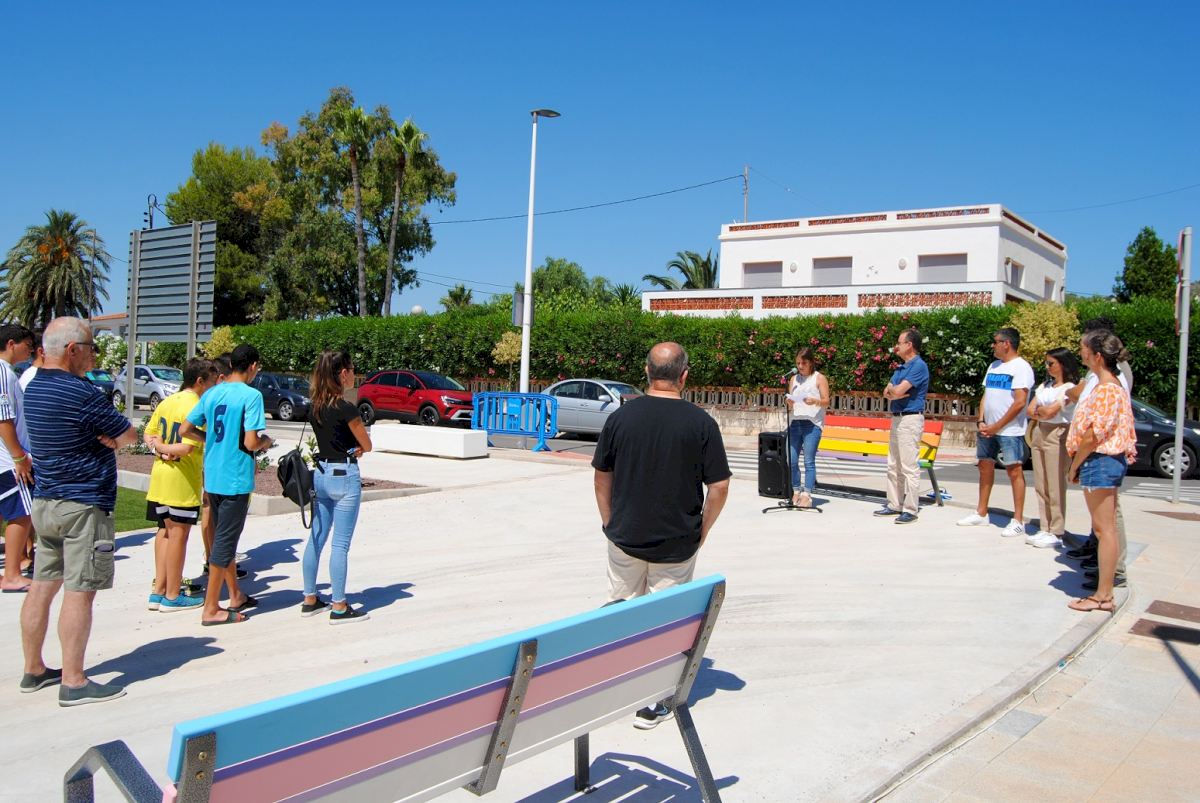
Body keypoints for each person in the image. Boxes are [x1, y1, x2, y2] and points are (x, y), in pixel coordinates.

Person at [592, 342, 731, 729]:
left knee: (621, 609)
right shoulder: (701, 423)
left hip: (624, 537)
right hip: (676, 543)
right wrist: (702, 530)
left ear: (647, 371)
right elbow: (719, 486)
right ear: (684, 376)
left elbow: (602, 477)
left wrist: (610, 523)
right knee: (665, 622)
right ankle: (651, 702)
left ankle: (617, 687)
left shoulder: (621, 418)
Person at [19, 317, 137, 705]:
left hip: (46, 503)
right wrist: (111, 439)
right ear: (72, 350)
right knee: (80, 591)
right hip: (84, 505)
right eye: (90, 348)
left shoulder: (34, 386)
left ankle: (34, 669)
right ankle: (74, 681)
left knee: (41, 586)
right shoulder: (81, 392)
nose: (94, 356)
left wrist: (107, 436)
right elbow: (128, 434)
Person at [180, 344, 273, 626]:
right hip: (235, 478)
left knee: (223, 538)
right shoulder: (251, 395)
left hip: (214, 476)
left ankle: (235, 594)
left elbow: (185, 429)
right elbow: (251, 442)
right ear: (253, 366)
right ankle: (211, 608)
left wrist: (208, 439)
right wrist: (266, 442)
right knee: (224, 543)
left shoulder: (212, 393)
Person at [1065, 331, 1136, 613]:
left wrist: (1074, 465)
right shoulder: (1108, 385)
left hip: (1100, 460)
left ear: (1097, 356)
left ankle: (1103, 595)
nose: (1080, 353)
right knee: (1105, 528)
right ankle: (1103, 593)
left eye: (1083, 349)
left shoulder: (1107, 388)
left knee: (1104, 529)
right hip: (1103, 461)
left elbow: (1093, 435)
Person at [301, 350, 374, 623]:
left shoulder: (314, 406)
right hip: (344, 474)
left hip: (321, 473)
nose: (354, 374)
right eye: (352, 370)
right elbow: (366, 444)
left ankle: (310, 598)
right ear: (343, 374)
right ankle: (339, 605)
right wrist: (357, 448)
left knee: (316, 537)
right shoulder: (346, 408)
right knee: (340, 544)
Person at [143, 358, 218, 612]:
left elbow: (149, 433)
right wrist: (165, 448)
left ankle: (159, 591)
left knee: (164, 532)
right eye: (211, 381)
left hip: (159, 479)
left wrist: (158, 448)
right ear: (200, 381)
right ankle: (173, 595)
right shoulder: (197, 406)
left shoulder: (167, 401)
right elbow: (187, 447)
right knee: (178, 535)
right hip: (181, 481)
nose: (213, 387)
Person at [957, 328, 1035, 537]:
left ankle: (1017, 520)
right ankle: (981, 512)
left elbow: (1019, 402)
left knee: (1014, 471)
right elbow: (986, 395)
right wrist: (981, 420)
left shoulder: (1021, 367)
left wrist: (997, 426)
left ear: (1006, 343)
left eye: (996, 341)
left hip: (1010, 430)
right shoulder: (993, 366)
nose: (993, 345)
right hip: (987, 428)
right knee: (984, 466)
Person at [1025, 348, 1080, 549]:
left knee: (1055, 484)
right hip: (1040, 431)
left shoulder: (1069, 388)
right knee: (1041, 484)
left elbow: (1050, 412)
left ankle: (1056, 530)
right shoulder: (1045, 386)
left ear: (1063, 364)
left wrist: (1041, 411)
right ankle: (1045, 526)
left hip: (1058, 432)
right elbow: (1030, 410)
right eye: (1046, 363)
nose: (1047, 367)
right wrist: (1042, 411)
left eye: (1051, 363)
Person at [876, 327, 930, 524]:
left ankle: (910, 509)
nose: (896, 346)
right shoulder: (901, 368)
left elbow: (897, 391)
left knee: (909, 466)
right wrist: (894, 392)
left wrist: (896, 392)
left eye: (899, 343)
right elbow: (887, 392)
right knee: (893, 464)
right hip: (897, 417)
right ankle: (894, 504)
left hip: (910, 419)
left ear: (909, 345)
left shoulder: (918, 366)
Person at [0, 324, 35, 592]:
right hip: (8, 460)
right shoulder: (4, 372)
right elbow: (4, 419)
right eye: (27, 345)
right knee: (22, 513)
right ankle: (12, 574)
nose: (30, 350)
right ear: (11, 344)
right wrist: (19, 457)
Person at [784, 348, 829, 508]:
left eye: (803, 363)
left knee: (809, 461)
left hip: (812, 424)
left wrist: (815, 401)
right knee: (791, 459)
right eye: (798, 363)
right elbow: (790, 403)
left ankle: (807, 494)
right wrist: (789, 402)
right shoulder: (793, 379)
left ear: (811, 362)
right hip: (795, 422)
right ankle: (796, 490)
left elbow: (826, 401)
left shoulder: (819, 378)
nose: (800, 366)